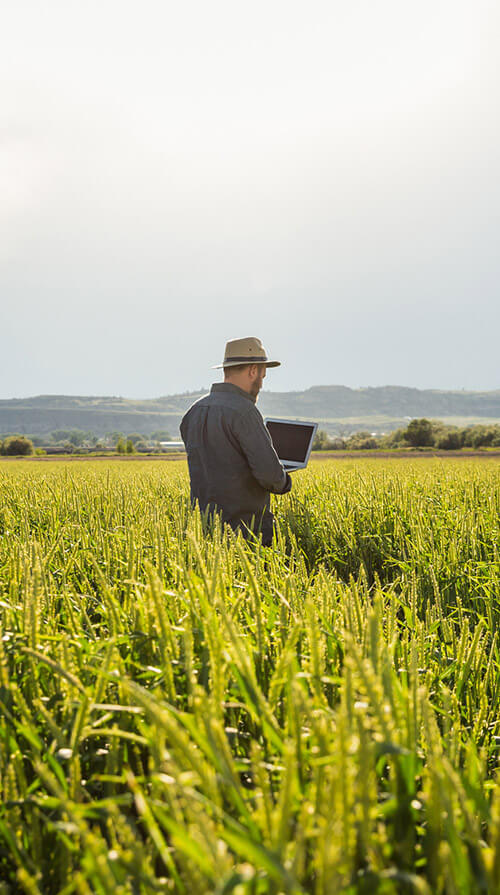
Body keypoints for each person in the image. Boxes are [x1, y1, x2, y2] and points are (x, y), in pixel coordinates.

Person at [180, 337, 292, 545]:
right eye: (262, 376)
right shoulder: (245, 412)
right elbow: (270, 476)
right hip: (247, 532)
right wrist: (285, 480)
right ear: (252, 371)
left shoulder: (193, 412)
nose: (261, 384)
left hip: (204, 532)